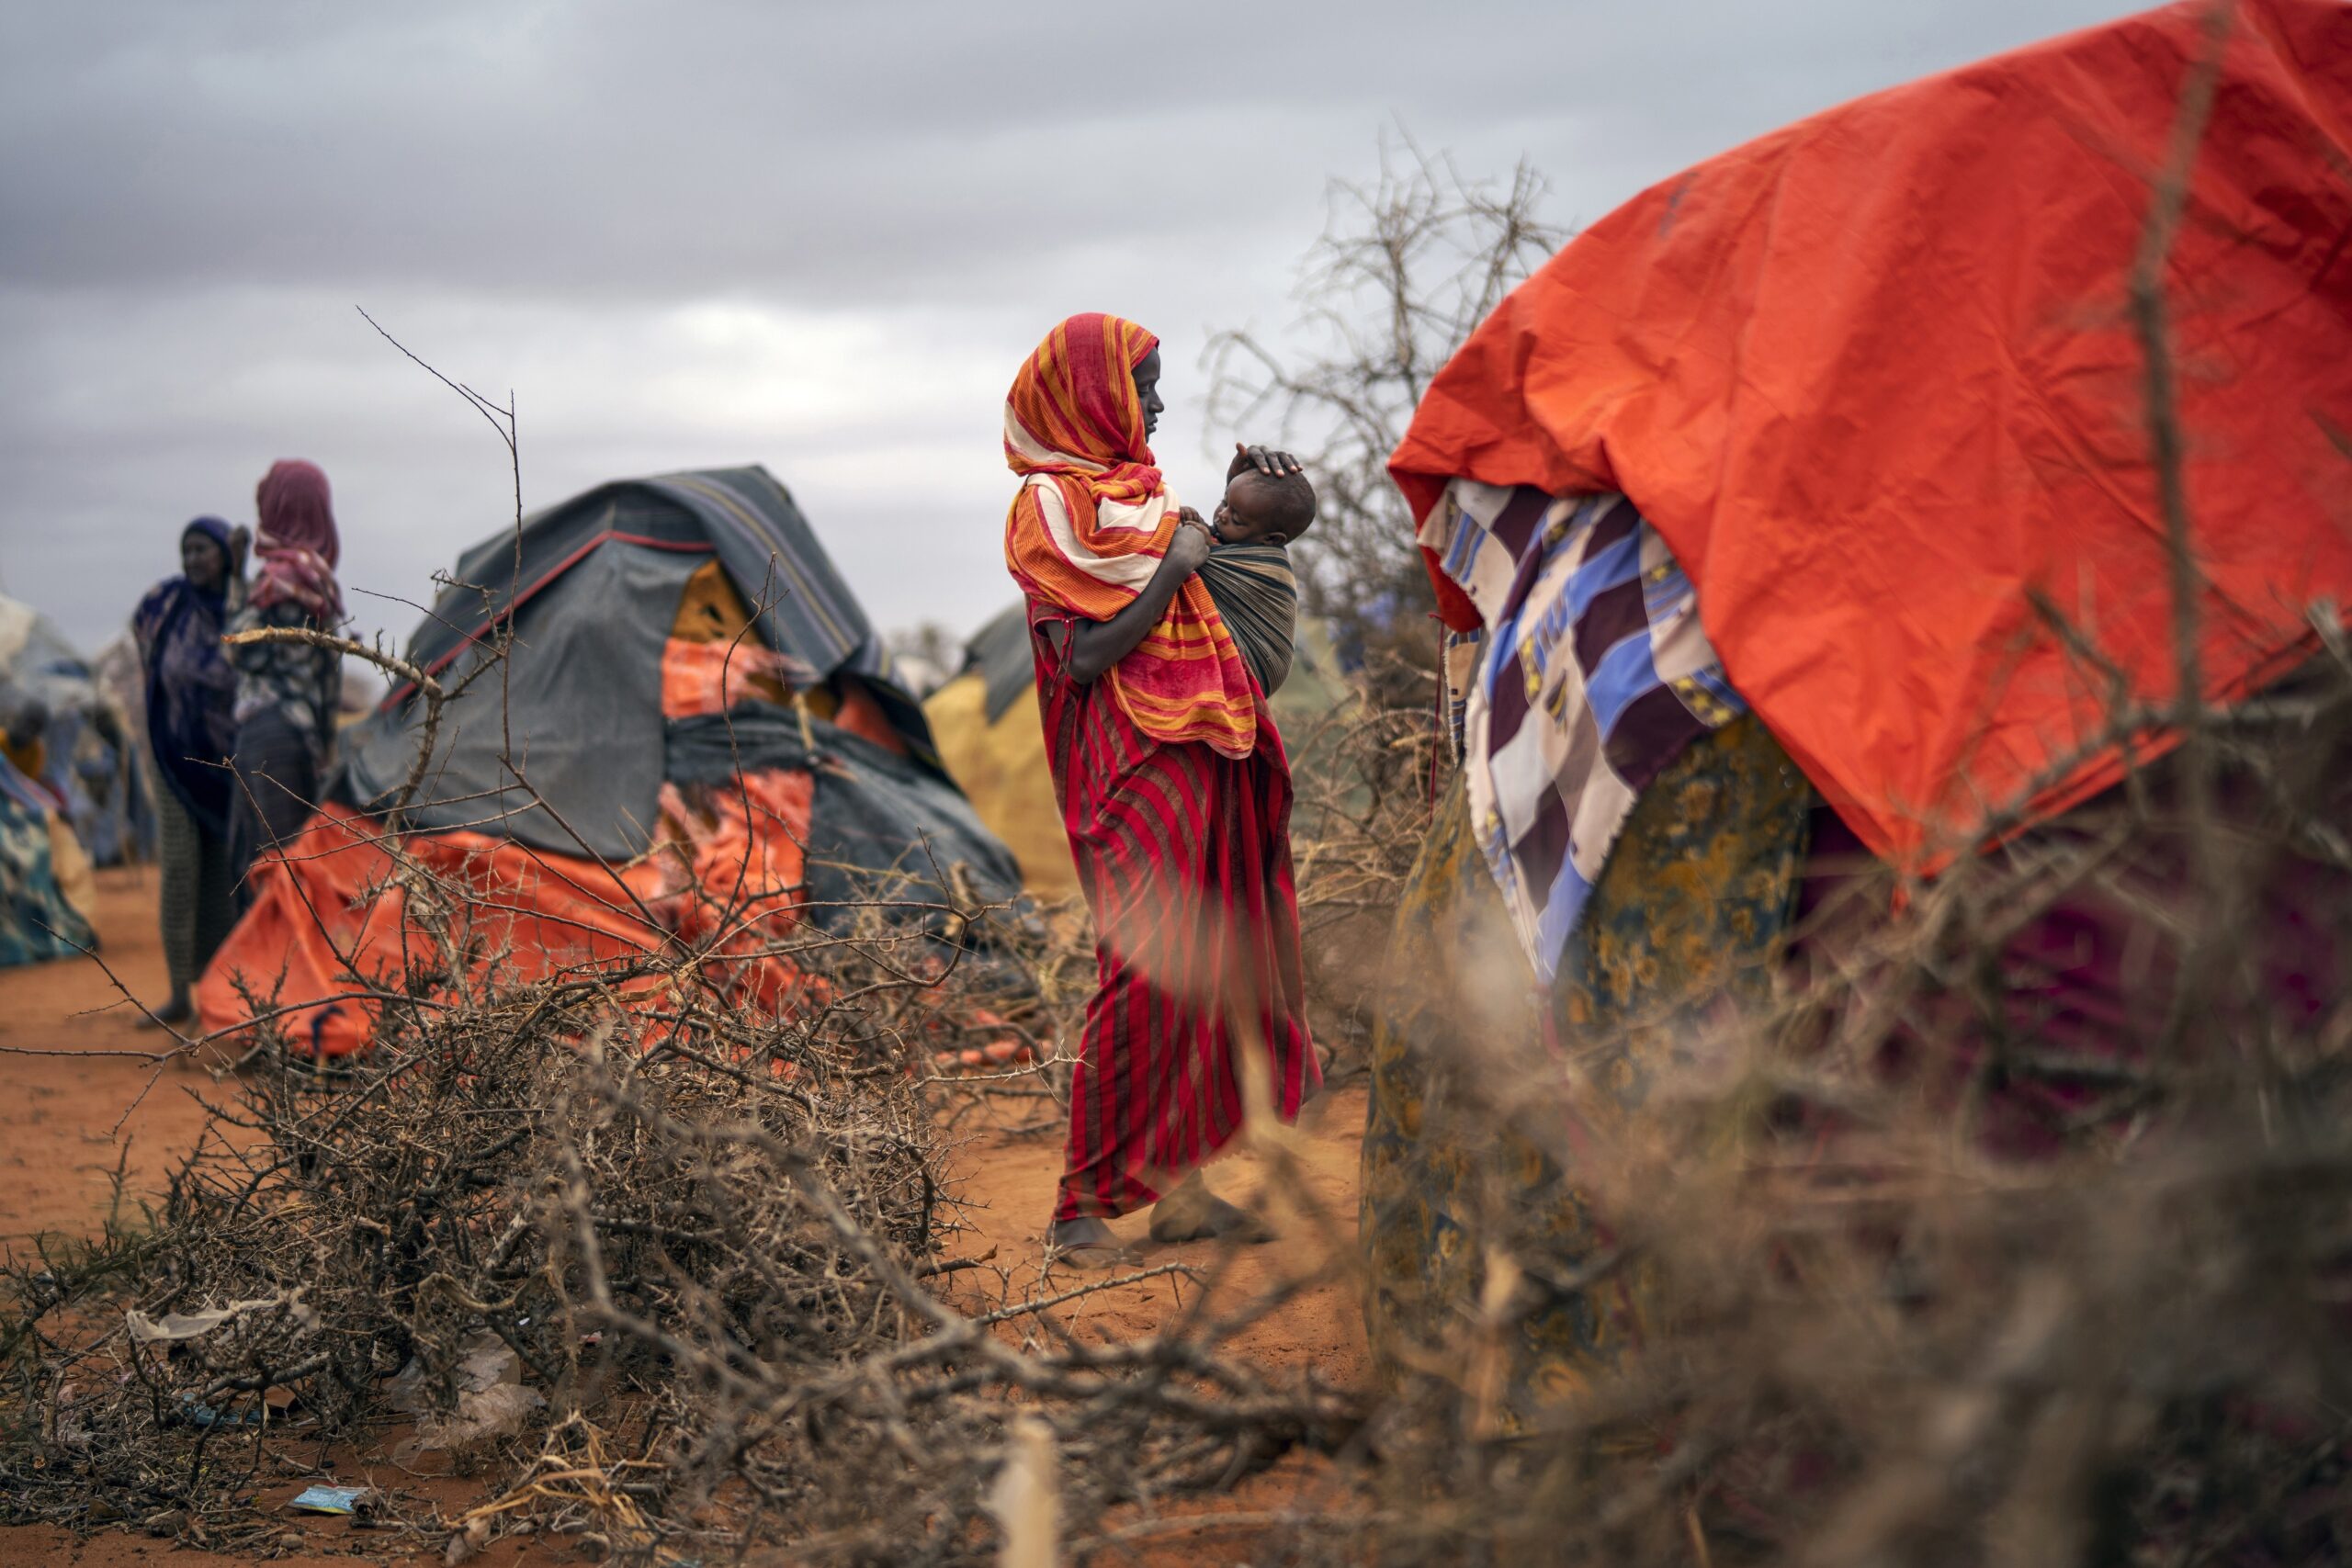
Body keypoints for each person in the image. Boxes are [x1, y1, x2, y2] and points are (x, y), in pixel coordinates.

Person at [1001, 312, 1320, 1263]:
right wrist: (1172, 569)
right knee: (1142, 973)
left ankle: (1181, 1191)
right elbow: (1087, 656)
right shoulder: (1049, 508)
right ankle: (1078, 1206)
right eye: (1143, 386)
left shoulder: (1144, 499)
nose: (1158, 404)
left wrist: (1254, 505)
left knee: (1207, 971)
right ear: (1094, 393)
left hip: (1201, 759)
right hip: (1127, 769)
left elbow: (1223, 609)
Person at [131, 516, 247, 1023]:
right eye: (187, 550)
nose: (192, 559)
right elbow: (145, 642)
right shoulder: (167, 603)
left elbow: (245, 661)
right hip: (171, 756)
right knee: (180, 870)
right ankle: (181, 992)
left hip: (225, 768)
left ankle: (218, 992)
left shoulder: (242, 606)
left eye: (203, 549)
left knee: (220, 878)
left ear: (225, 554)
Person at [225, 460, 343, 908]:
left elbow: (241, 648)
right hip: (298, 738)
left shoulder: (279, 579)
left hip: (267, 737)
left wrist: (235, 582)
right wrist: (325, 745)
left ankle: (271, 974)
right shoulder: (317, 577)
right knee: (288, 862)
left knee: (271, 868)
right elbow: (328, 678)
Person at [1198, 449, 1316, 697]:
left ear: (1271, 539)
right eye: (1224, 501)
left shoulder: (1262, 570)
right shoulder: (1226, 538)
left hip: (1239, 679)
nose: (1221, 515)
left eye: (1237, 519)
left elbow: (1190, 554)